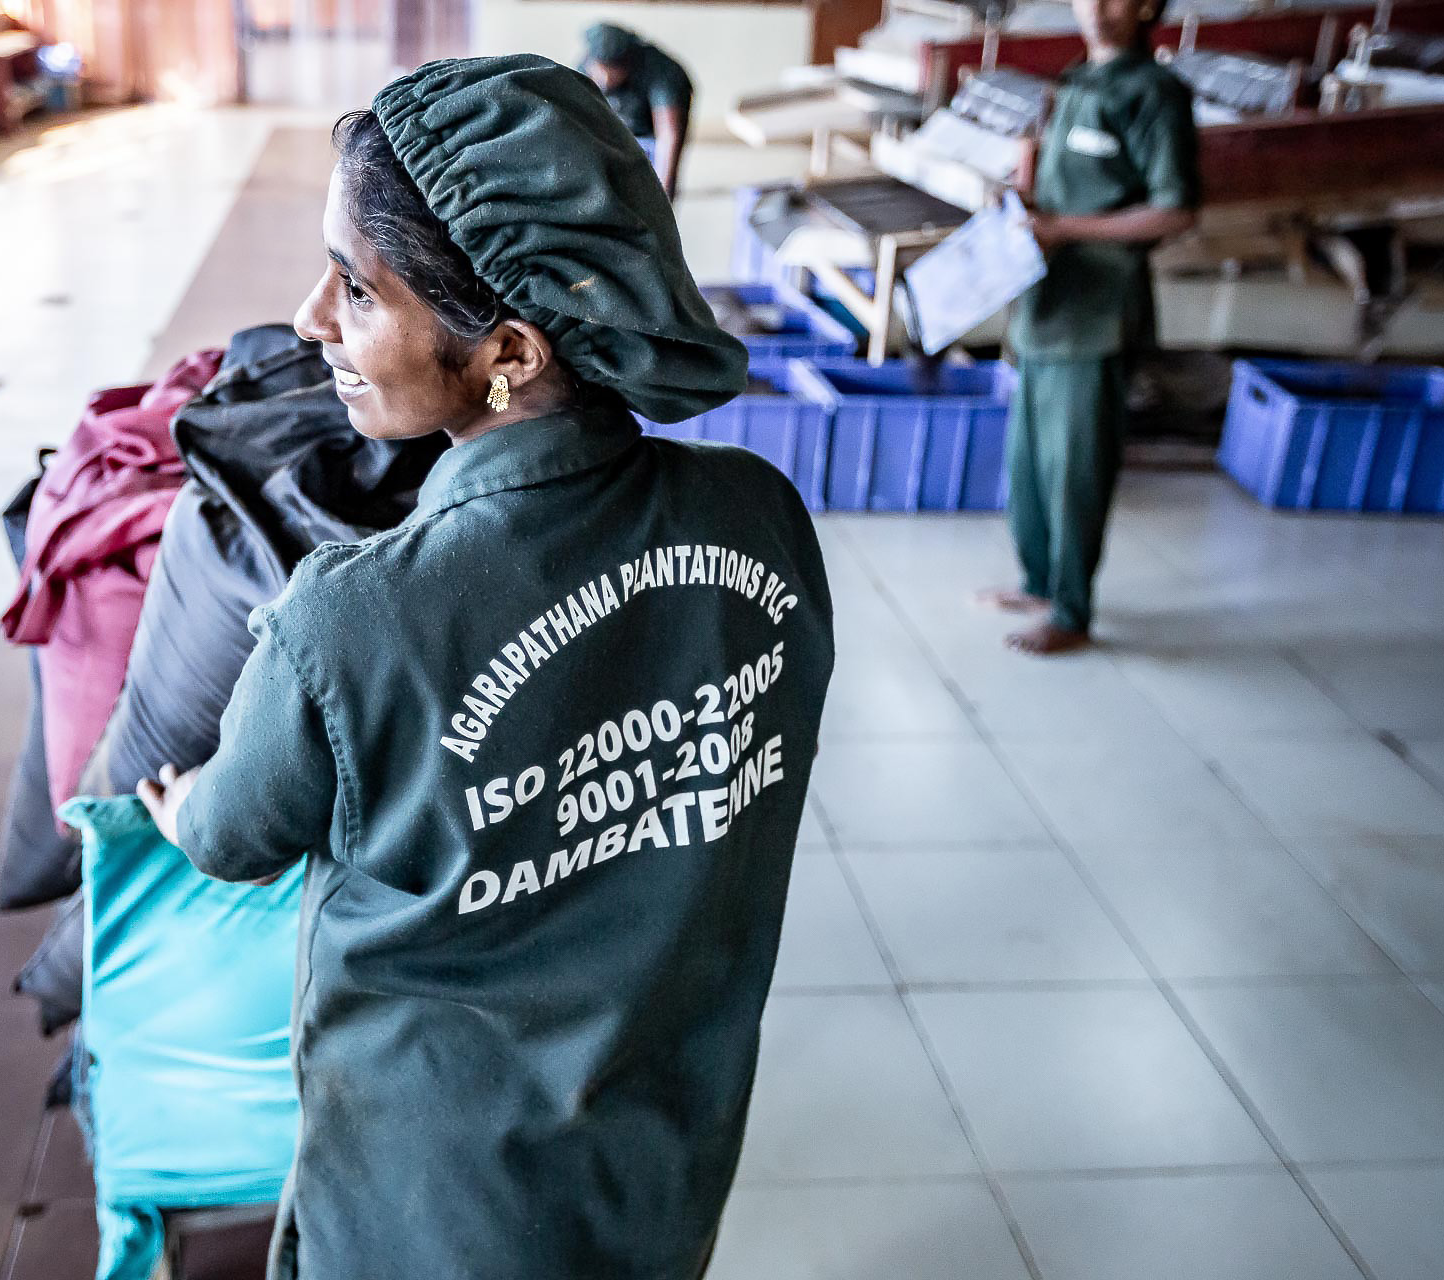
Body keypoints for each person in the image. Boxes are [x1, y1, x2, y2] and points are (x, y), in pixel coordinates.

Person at [138, 54, 834, 1280]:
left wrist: (179, 796)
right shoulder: (761, 521)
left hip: (431, 1203)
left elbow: (230, 834)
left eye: (355, 288)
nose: (311, 320)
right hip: (659, 1162)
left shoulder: (354, 616)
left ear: (506, 348)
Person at [981, 0, 1198, 655]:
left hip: (1099, 310)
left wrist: (1066, 229)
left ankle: (1072, 611)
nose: (1098, 11)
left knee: (1077, 469)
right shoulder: (1076, 80)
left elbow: (1174, 211)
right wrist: (1017, 193)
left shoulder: (1155, 94)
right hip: (1046, 302)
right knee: (1030, 464)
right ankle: (1039, 581)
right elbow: (1055, 183)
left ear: (1147, 7)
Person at [579, 23, 694, 200]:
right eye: (601, 69)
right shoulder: (583, 68)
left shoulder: (664, 74)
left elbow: (668, 140)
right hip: (612, 139)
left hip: (650, 141)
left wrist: (661, 205)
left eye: (614, 69)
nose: (606, 78)